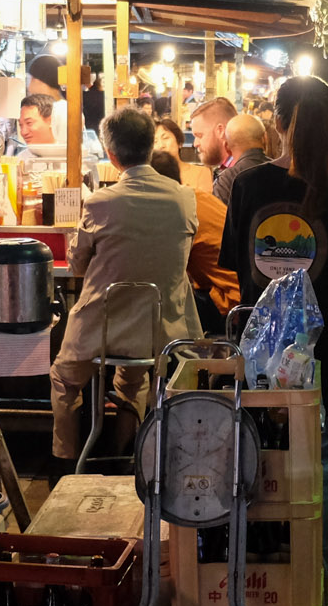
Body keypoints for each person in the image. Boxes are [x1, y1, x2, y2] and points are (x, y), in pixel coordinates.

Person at [221, 76, 328, 606]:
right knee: (321, 478)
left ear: (279, 121)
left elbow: (236, 263)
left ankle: (260, 590)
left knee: (257, 471)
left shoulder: (246, 186)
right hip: (324, 353)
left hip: (259, 356)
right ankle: (319, 592)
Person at [51, 110, 200, 465]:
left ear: (111, 155)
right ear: (151, 147)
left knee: (64, 379)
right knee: (133, 380)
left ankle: (65, 462)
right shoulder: (183, 198)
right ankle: (124, 452)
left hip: (100, 329)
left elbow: (77, 264)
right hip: (160, 331)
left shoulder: (101, 202)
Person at [148, 150, 241, 333]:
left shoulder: (178, 210)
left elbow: (165, 267)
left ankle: (170, 358)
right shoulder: (197, 197)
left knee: (154, 303)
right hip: (243, 295)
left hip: (230, 303)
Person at [214, 112, 269, 204]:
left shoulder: (226, 180)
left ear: (226, 146)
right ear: (265, 138)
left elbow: (217, 216)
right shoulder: (283, 172)